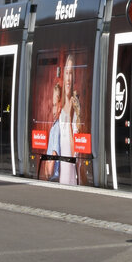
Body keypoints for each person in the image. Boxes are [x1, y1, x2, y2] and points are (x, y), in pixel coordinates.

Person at [58, 55, 78, 185]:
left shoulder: (76, 108)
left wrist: (70, 119)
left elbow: (73, 152)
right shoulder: (59, 109)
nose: (68, 78)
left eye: (71, 73)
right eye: (66, 73)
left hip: (71, 178)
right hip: (61, 177)